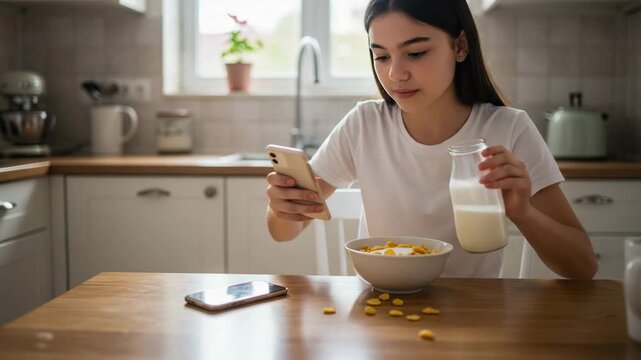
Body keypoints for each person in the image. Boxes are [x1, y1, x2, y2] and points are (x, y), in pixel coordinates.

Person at [265, 0, 598, 279]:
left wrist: (523, 212)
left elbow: (583, 266)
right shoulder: (364, 124)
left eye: (416, 53)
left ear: (460, 46)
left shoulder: (509, 129)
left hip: (474, 321)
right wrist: (283, 210)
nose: (396, 74)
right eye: (381, 56)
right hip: (381, 315)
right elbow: (282, 233)